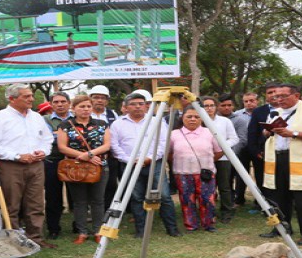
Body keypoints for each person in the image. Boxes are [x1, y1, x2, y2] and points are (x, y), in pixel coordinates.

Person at [0, 84, 56, 248]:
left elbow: (47, 139)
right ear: (12, 99)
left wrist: (43, 151)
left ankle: (35, 238)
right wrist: (16, 156)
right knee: (11, 205)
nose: (31, 99)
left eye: (31, 95)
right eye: (26, 96)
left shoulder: (36, 117)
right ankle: (13, 241)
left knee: (36, 203)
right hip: (10, 166)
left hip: (36, 165)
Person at [258, 84, 302, 245]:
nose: (279, 99)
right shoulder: (275, 112)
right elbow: (266, 134)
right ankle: (281, 227)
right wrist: (267, 131)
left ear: (296, 96)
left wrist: (292, 133)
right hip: (277, 156)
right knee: (278, 195)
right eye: (276, 96)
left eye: (283, 96)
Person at [110, 92, 181, 237]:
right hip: (130, 165)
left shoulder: (157, 121)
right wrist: (130, 160)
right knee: (136, 198)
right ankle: (141, 231)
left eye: (141, 104)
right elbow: (114, 146)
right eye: (133, 104)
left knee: (164, 196)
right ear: (126, 107)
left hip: (154, 164)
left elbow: (163, 143)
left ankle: (172, 229)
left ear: (146, 106)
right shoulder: (117, 124)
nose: (137, 107)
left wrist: (150, 158)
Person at [57, 95, 111, 244]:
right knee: (79, 201)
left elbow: (107, 145)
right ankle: (82, 232)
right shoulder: (65, 125)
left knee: (98, 200)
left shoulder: (102, 124)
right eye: (82, 106)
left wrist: (90, 154)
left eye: (88, 106)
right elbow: (62, 147)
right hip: (75, 168)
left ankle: (98, 231)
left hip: (99, 166)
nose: (86, 109)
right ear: (73, 108)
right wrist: (84, 157)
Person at [170, 106, 223, 233]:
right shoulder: (173, 134)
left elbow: (219, 151)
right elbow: (169, 153)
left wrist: (206, 163)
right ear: (182, 118)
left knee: (207, 199)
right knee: (187, 200)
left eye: (196, 117)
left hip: (206, 173)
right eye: (189, 116)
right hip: (182, 173)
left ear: (202, 119)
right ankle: (191, 225)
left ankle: (208, 224)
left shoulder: (210, 132)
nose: (193, 119)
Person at [201, 96, 238, 223]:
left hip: (223, 157)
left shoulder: (225, 121)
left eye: (211, 105)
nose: (209, 108)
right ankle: (209, 212)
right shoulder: (198, 121)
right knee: (207, 187)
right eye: (206, 106)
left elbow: (234, 138)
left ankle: (227, 212)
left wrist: (221, 148)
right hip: (203, 158)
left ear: (216, 107)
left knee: (224, 186)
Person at [44, 92, 73, 239]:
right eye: (56, 102)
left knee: (76, 195)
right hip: (52, 161)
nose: (60, 104)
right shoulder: (45, 120)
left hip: (74, 161)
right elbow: (47, 138)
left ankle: (78, 225)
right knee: (53, 196)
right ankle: (53, 228)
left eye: (63, 101)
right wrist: (69, 136)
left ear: (69, 103)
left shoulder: (76, 118)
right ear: (51, 104)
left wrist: (58, 135)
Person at [247, 83, 281, 204]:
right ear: (266, 96)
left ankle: (285, 203)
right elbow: (252, 133)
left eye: (275, 92)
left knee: (283, 178)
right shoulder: (258, 111)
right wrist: (255, 151)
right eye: (269, 93)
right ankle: (264, 204)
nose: (273, 95)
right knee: (263, 178)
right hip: (263, 152)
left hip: (285, 151)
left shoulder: (290, 109)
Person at [88, 85, 120, 210]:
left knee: (110, 184)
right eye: (96, 97)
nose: (99, 100)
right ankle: (92, 209)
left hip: (109, 155)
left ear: (107, 100)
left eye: (103, 98)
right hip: (89, 155)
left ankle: (108, 209)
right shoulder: (85, 112)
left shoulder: (112, 114)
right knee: (91, 182)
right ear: (90, 99)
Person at [231, 92, 258, 207]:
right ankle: (239, 199)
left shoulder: (262, 113)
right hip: (242, 148)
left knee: (259, 175)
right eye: (246, 101)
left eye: (251, 100)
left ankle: (259, 200)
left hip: (258, 148)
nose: (249, 103)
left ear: (257, 101)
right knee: (241, 174)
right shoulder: (237, 114)